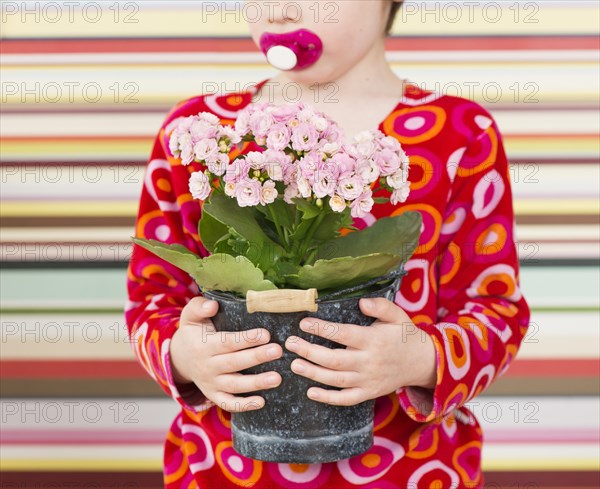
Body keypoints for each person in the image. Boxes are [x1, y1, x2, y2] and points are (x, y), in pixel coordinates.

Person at [126, 1, 531, 487]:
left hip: (412, 469)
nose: (278, 13)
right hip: (221, 470)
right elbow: (151, 301)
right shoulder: (198, 136)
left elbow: (497, 312)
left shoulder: (462, 136)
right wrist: (184, 356)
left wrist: (417, 358)